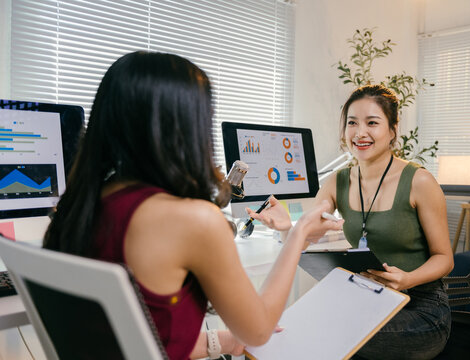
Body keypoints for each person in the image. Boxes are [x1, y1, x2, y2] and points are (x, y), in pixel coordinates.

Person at [42, 51, 343, 360]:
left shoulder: (79, 207)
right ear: (187, 127)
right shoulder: (192, 220)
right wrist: (299, 233)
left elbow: (131, 337)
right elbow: (259, 330)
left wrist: (220, 342)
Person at [248, 84, 454, 360]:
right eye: (352, 123)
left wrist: (407, 279)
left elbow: (445, 258)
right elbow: (309, 233)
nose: (360, 133)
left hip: (421, 308)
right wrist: (289, 227)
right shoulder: (337, 181)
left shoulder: (420, 181)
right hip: (368, 301)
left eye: (372, 123)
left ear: (392, 130)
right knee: (295, 326)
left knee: (326, 333)